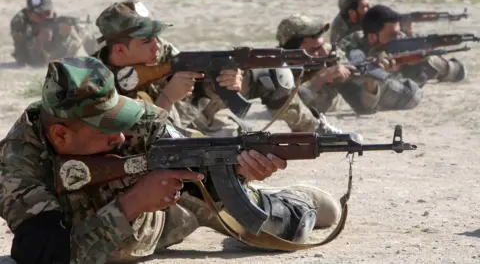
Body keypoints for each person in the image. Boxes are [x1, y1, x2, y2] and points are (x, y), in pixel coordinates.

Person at [0, 56, 341, 263]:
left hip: (170, 209)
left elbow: (196, 153)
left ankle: (295, 199)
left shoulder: (140, 119)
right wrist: (133, 202)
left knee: (283, 229)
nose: (120, 136)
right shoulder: (15, 165)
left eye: (119, 121)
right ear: (60, 135)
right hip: (129, 214)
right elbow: (44, 256)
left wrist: (236, 169)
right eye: (106, 130)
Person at [92, 0, 354, 138]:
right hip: (165, 130)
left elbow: (191, 72)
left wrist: (230, 80)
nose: (157, 45)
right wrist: (167, 98)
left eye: (156, 37)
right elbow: (144, 138)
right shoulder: (97, 85)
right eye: (146, 40)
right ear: (119, 51)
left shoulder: (160, 50)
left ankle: (311, 126)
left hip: (191, 110)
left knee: (270, 74)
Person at [339, 5, 466, 106]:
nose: (399, 37)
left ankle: (450, 70)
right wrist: (382, 66)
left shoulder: (397, 41)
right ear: (372, 37)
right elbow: (357, 77)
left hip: (401, 71)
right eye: (393, 35)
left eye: (399, 32)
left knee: (426, 59)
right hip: (370, 90)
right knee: (411, 94)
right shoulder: (351, 46)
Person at [276, 14, 388, 115]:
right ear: (293, 51)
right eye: (314, 48)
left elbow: (365, 108)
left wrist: (370, 83)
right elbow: (285, 107)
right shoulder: (278, 67)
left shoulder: (332, 55)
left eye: (322, 45)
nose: (324, 52)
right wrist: (319, 79)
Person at [9, 0, 98, 67]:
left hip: (58, 55)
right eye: (39, 15)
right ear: (29, 14)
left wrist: (65, 36)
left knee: (84, 30)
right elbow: (22, 54)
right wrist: (38, 41)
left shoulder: (56, 22)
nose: (44, 17)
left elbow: (63, 52)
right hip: (32, 57)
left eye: (47, 13)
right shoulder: (20, 22)